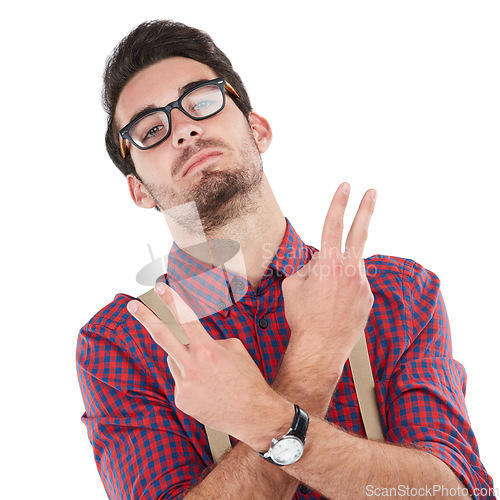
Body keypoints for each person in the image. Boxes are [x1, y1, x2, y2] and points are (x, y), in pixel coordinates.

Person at [76, 20, 495, 500]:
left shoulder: (396, 290)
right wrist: (313, 358)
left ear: (258, 129)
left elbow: (456, 494)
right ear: (138, 190)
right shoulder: (124, 341)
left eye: (201, 102)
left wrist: (264, 418)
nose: (183, 128)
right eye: (151, 129)